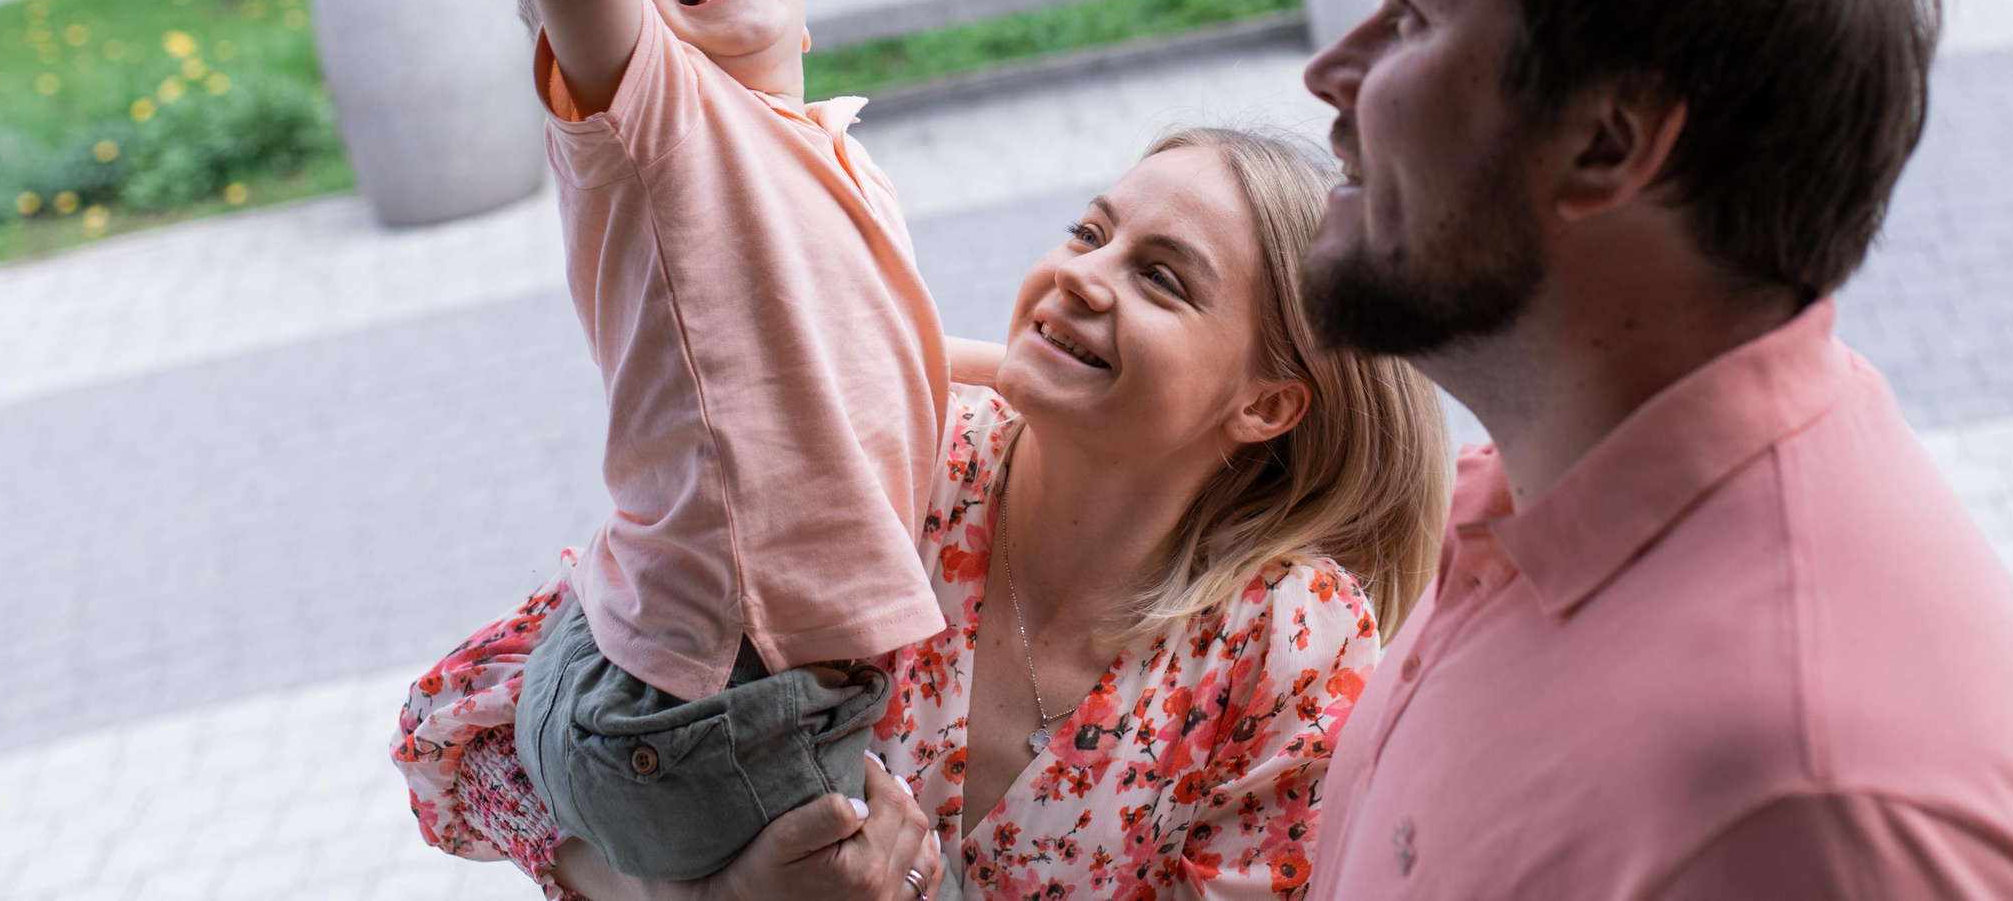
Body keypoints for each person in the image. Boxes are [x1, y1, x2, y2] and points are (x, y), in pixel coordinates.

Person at [1301, 0, 2013, 899]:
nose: (1330, 73)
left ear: (1609, 142)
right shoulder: (1546, 494)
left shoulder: (1801, 803)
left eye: (1409, 18)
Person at [388, 0, 1012, 883]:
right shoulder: (664, 123)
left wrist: (1012, 369)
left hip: (622, 645)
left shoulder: (816, 143)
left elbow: (857, 341)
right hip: (720, 697)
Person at [396, 128, 1454, 900]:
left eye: (1161, 279)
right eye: (1087, 232)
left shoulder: (1289, 644)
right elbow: (467, 733)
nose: (1079, 276)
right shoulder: (879, 461)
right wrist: (705, 899)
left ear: (1264, 402)